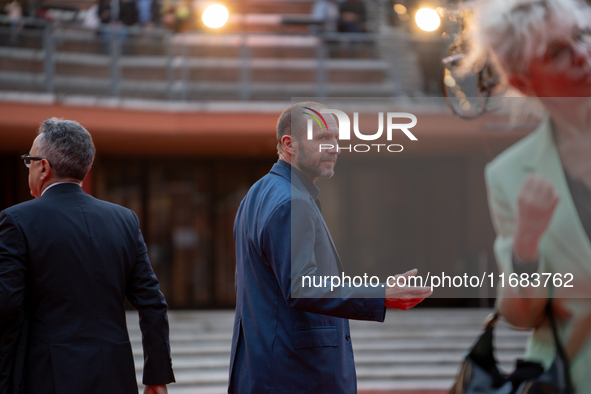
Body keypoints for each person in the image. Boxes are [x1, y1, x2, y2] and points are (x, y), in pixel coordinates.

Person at [228, 102, 433, 394]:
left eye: (336, 139)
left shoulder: (256, 195)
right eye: (323, 138)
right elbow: (302, 286)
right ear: (289, 144)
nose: (335, 148)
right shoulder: (291, 202)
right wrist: (381, 293)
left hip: (267, 372)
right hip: (296, 378)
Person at [464, 0, 591, 390]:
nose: (583, 55)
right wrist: (526, 244)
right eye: (557, 53)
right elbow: (521, 317)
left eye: (582, 35)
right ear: (523, 81)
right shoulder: (508, 175)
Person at [0, 118, 175, 394]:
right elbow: (153, 303)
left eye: (30, 160)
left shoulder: (17, 221)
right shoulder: (124, 220)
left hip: (47, 377)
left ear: (43, 167)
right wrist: (157, 377)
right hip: (115, 377)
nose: (29, 168)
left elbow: (5, 304)